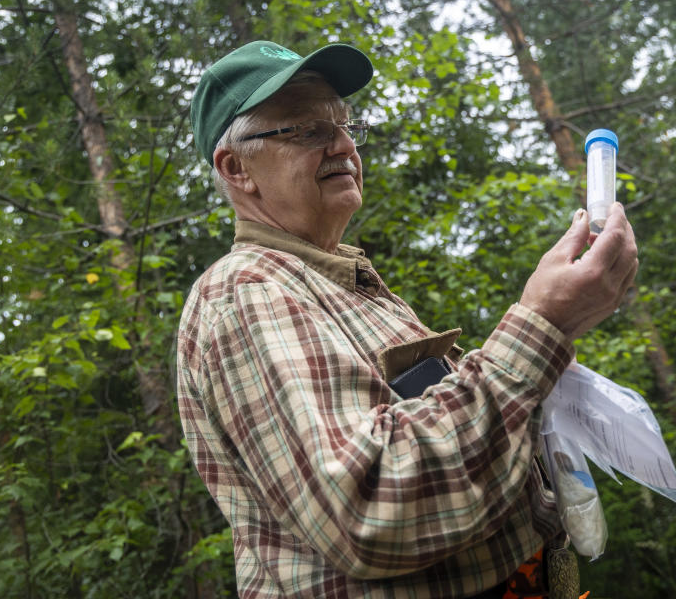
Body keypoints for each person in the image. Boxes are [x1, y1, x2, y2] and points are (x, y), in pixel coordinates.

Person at [177, 40, 638, 599]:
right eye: (308, 130)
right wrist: (542, 326)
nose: (345, 145)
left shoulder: (343, 284)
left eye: (346, 127)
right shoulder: (247, 290)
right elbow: (367, 509)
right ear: (236, 167)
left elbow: (447, 429)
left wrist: (546, 374)